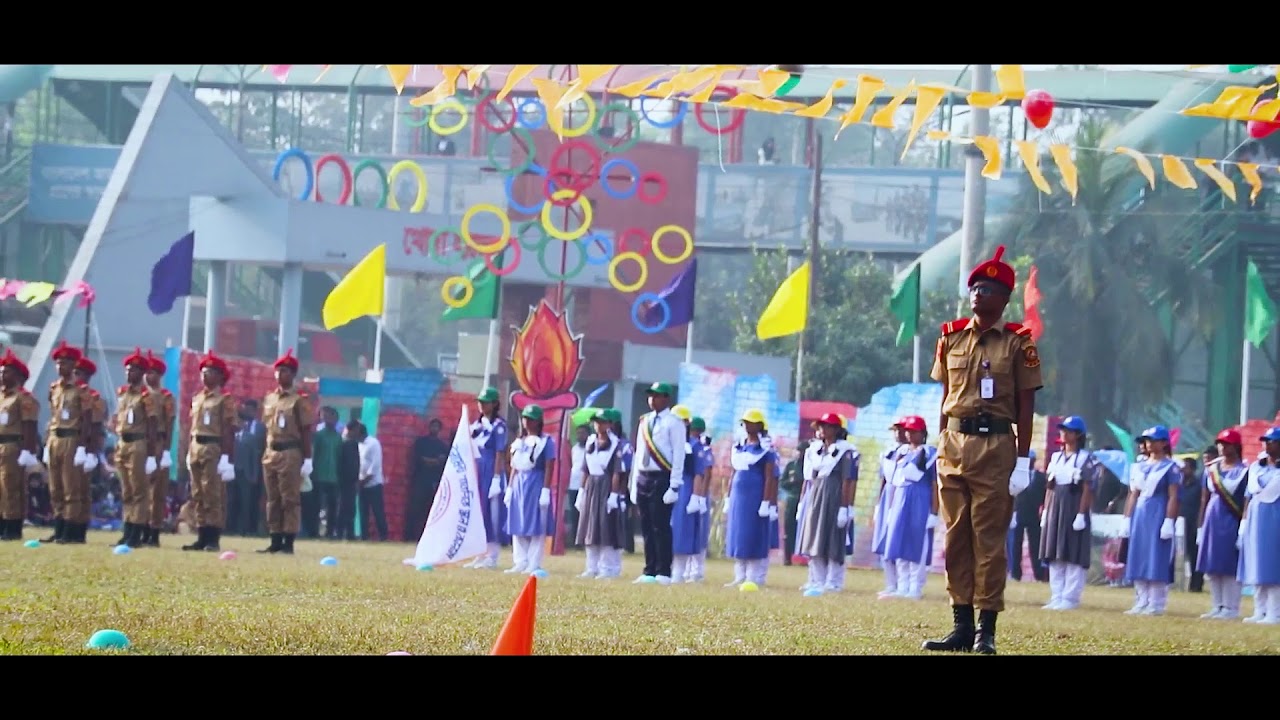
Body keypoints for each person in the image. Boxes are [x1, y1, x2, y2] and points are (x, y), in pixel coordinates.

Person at [923, 245, 1044, 655]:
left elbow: (1026, 405)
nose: (979, 294)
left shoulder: (1018, 344)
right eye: (975, 288)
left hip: (995, 448)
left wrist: (1023, 460)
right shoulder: (950, 337)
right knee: (955, 539)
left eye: (989, 289)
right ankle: (961, 625)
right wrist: (940, 443)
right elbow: (944, 396)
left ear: (1005, 299)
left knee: (988, 541)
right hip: (954, 446)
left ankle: (985, 631)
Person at [628, 382, 686, 585]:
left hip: (662, 476)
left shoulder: (674, 423)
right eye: (650, 395)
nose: (652, 399)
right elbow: (638, 453)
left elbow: (678, 454)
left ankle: (664, 571)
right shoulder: (644, 421)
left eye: (657, 395)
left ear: (666, 399)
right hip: (643, 476)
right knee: (646, 525)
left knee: (660, 526)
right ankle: (649, 569)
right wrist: (633, 483)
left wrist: (674, 485)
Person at [1120, 425, 1182, 616]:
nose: (1148, 444)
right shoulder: (1139, 466)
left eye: (1153, 441)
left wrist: (1169, 520)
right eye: (1147, 441)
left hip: (1158, 512)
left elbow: (1173, 496)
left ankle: (1156, 602)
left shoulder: (1170, 467)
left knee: (1156, 556)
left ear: (1164, 443)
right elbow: (1133, 494)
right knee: (1139, 556)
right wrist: (1126, 518)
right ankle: (1141, 600)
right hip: (1140, 514)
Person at [1040, 416, 1100, 611]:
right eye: (1063, 430)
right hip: (1056, 506)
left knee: (1073, 552)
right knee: (1054, 552)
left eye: (1069, 431)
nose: (1064, 434)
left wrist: (1082, 513)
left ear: (1078, 435)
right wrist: (1046, 509)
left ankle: (1070, 597)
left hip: (1074, 506)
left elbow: (1088, 488)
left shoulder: (1086, 459)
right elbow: (1050, 487)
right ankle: (1056, 595)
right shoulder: (1056, 457)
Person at [796, 412, 858, 594]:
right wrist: (803, 501)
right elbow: (810, 478)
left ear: (837, 429)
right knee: (815, 536)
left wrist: (845, 507)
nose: (822, 430)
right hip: (817, 495)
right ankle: (817, 579)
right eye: (821, 426)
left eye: (827, 426)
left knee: (833, 538)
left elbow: (848, 481)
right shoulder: (815, 450)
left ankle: (834, 581)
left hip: (835, 495)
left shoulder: (845, 452)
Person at [181, 350, 237, 552]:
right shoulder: (197, 398)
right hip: (197, 446)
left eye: (210, 372)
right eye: (203, 372)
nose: (205, 376)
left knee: (212, 493)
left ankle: (213, 537)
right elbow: (192, 427)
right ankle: (201, 535)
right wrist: (189, 450)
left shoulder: (224, 400)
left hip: (214, 447)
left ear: (221, 376)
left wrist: (227, 458)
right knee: (197, 493)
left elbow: (229, 430)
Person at [259, 349, 313, 555]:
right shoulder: (270, 398)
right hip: (271, 452)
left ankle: (288, 542)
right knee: (272, 498)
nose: (280, 374)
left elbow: (305, 430)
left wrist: (307, 459)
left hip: (290, 452)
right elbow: (267, 428)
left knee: (289, 499)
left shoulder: (299, 400)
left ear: (293, 374)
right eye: (278, 370)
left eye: (285, 371)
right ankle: (275, 539)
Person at [42, 341, 92, 545]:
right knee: (55, 487)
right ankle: (58, 527)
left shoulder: (81, 390)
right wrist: (47, 442)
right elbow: (53, 416)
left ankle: (70, 530)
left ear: (73, 365)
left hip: (72, 438)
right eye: (58, 363)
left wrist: (82, 447)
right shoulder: (54, 388)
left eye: (65, 363)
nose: (60, 366)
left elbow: (86, 420)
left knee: (70, 486)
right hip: (55, 437)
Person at [882, 415, 937, 600]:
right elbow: (894, 481)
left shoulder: (929, 453)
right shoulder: (902, 453)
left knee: (917, 541)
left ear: (923, 433)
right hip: (901, 497)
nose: (910, 435)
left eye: (914, 431)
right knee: (899, 540)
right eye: (908, 431)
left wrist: (934, 511)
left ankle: (915, 586)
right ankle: (902, 584)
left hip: (920, 498)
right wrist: (891, 507)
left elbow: (935, 484)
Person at [724, 409, 780, 588]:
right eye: (745, 423)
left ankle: (753, 576)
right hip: (738, 496)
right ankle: (739, 575)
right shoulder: (739, 446)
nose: (747, 426)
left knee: (753, 535)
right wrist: (728, 497)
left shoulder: (766, 449)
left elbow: (770, 477)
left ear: (760, 425)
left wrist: (766, 501)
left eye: (751, 423)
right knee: (738, 535)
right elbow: (733, 473)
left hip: (755, 494)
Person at [111, 348, 161, 549]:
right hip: (123, 443)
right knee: (126, 491)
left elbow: (152, 425)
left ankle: (136, 533)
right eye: (127, 369)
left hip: (138, 444)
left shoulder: (146, 396)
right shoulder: (123, 394)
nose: (129, 373)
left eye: (133, 370)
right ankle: (127, 529)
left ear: (142, 373)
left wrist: (151, 454)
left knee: (139, 490)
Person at [1197, 428, 1248, 619]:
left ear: (1236, 446)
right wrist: (1200, 525)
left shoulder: (1244, 471)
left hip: (1231, 519)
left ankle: (1231, 607)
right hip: (1212, 519)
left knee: (1229, 564)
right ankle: (1216, 605)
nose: (1222, 448)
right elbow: (1204, 498)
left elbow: (1246, 500)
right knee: (1212, 564)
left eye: (1226, 444)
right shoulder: (1211, 470)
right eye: (1220, 444)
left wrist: (1243, 525)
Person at [575, 409, 627, 579]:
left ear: (610, 424)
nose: (599, 425)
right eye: (596, 422)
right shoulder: (591, 442)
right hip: (591, 485)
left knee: (605, 527)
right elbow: (585, 469)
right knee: (590, 526)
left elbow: (616, 472)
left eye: (603, 422)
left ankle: (607, 567)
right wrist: (581, 490)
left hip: (606, 485)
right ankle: (591, 566)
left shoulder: (616, 444)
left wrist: (614, 494)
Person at [504, 404, 555, 574]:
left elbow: (549, 466)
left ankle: (534, 562)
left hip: (536, 482)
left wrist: (545, 490)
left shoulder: (546, 441)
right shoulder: (519, 442)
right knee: (518, 521)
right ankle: (520, 560)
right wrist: (510, 487)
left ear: (538, 421)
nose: (527, 422)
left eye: (531, 419)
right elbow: (514, 466)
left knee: (536, 524)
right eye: (525, 418)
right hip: (519, 483)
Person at [1239, 427, 1280, 624]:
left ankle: (1274, 611)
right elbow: (1248, 496)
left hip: (1275, 519)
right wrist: (1244, 521)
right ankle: (1259, 609)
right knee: (1256, 563)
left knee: (1273, 564)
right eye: (1266, 441)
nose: (1267, 444)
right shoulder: (1256, 467)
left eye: (1272, 441)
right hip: (1256, 519)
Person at [465, 387, 509, 569]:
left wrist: (497, 478)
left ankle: (492, 555)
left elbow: (500, 453)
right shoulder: (475, 426)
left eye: (486, 402)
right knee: (479, 513)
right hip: (477, 471)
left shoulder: (499, 426)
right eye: (480, 402)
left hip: (491, 471)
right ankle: (479, 553)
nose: (482, 405)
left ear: (494, 404)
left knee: (492, 515)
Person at [670, 404, 712, 583]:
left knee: (682, 530)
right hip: (668, 486)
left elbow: (700, 473)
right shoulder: (668, 442)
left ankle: (680, 571)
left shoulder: (695, 445)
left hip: (685, 488)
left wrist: (697, 496)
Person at [0, 350, 39, 540]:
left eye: (6, 372)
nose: (2, 375)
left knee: (11, 487)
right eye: (1, 371)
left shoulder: (23, 397)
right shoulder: (2, 396)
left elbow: (29, 425)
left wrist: (27, 450)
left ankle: (12, 526)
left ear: (17, 375)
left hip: (12, 447)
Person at [143, 351, 176, 547]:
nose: (148, 376)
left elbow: (170, 424)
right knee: (140, 490)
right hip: (141, 443)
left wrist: (166, 451)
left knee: (156, 492)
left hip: (158, 443)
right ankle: (139, 528)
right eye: (146, 372)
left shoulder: (165, 397)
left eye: (153, 372)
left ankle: (153, 531)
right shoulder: (139, 395)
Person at [873, 420, 909, 598]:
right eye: (895, 431)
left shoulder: (913, 453)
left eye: (901, 430)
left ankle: (903, 584)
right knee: (884, 540)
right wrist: (879, 504)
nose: (898, 434)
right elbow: (884, 480)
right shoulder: (889, 452)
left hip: (902, 495)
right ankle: (890, 583)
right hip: (887, 496)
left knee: (898, 540)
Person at [73, 354, 107, 542]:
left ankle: (78, 529)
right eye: (75, 372)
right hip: (66, 443)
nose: (76, 376)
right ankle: (63, 526)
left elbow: (95, 427)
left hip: (84, 447)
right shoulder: (65, 392)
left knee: (80, 489)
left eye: (80, 373)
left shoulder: (93, 398)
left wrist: (91, 453)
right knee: (62, 487)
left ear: (87, 376)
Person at [405, 417, 446, 542]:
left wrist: (431, 461)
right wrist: (433, 461)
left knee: (431, 511)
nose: (434, 429)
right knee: (415, 510)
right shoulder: (421, 443)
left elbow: (442, 461)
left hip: (434, 482)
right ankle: (410, 537)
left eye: (437, 427)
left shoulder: (442, 446)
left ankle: (428, 538)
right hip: (420, 481)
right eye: (433, 426)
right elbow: (419, 459)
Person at [1009, 450, 1048, 582]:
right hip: (1019, 512)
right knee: (1016, 545)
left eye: (1032, 460)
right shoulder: (1015, 476)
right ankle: (1015, 573)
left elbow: (1045, 494)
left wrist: (1043, 509)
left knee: (1035, 545)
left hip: (1034, 514)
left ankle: (1039, 574)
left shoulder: (1040, 477)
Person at [230, 399, 265, 536]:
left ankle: (248, 528)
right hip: (234, 470)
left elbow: (259, 451)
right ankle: (232, 527)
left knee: (249, 501)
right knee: (233, 500)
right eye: (245, 409)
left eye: (249, 410)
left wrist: (255, 473)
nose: (247, 412)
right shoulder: (235, 431)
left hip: (250, 471)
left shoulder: (259, 429)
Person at [687, 416, 715, 582]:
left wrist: (702, 496)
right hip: (689, 492)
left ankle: (697, 570)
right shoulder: (687, 445)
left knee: (700, 532)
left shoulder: (704, 448)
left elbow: (707, 474)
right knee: (688, 530)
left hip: (700, 495)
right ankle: (687, 568)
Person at [352, 421, 388, 541]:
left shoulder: (373, 443)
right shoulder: (358, 444)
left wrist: (363, 481)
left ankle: (383, 536)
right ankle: (364, 537)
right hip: (362, 483)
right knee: (363, 513)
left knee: (378, 511)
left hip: (374, 484)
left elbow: (375, 466)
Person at [311, 407, 343, 538]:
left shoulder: (338, 437)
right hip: (319, 476)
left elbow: (339, 457)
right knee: (317, 506)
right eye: (326, 417)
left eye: (331, 417)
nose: (329, 420)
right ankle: (315, 531)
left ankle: (330, 532)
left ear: (336, 419)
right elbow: (314, 455)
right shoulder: (319, 436)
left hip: (333, 477)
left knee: (333, 506)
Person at [1179, 456, 1204, 593]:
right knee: (1181, 553)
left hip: (1193, 522)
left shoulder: (1198, 484)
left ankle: (1196, 583)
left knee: (1194, 554)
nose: (1183, 470)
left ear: (1193, 469)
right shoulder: (1179, 483)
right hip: (1179, 523)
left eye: (1186, 468)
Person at [336, 421, 363, 540]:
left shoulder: (354, 444)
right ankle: (339, 533)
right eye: (356, 430)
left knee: (350, 508)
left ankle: (349, 534)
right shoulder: (344, 443)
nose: (358, 432)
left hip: (352, 481)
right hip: (344, 481)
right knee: (343, 508)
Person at [567, 423, 589, 548]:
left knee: (585, 514)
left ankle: (585, 539)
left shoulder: (591, 448)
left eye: (583, 433)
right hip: (573, 484)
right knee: (574, 514)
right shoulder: (574, 449)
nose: (580, 436)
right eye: (578, 433)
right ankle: (575, 541)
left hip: (586, 485)